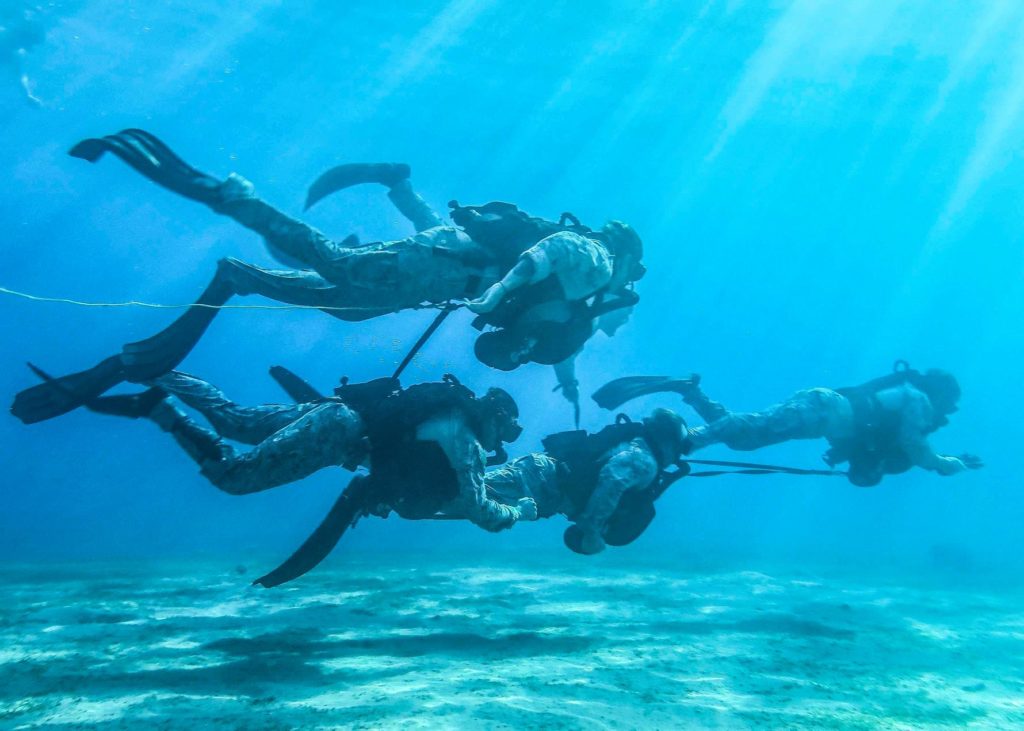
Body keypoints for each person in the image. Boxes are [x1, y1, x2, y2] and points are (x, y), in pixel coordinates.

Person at [10, 129, 646, 423]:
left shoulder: (580, 306)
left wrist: (564, 381)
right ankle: (227, 195)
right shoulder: (596, 262)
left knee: (343, 303)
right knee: (340, 268)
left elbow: (538, 310)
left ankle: (229, 282)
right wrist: (501, 294)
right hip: (440, 269)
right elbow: (546, 253)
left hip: (439, 271)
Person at [74, 369, 536, 532]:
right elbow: (480, 511)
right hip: (336, 436)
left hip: (334, 412)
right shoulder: (466, 443)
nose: (502, 443)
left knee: (234, 420)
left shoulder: (448, 410)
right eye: (507, 432)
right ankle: (160, 410)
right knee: (234, 478)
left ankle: (158, 373)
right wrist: (519, 512)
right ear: (495, 418)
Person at [672, 364, 982, 486]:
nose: (945, 410)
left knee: (744, 437)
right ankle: (691, 437)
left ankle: (693, 394)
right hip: (823, 412)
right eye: (948, 401)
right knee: (750, 432)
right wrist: (946, 463)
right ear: (940, 393)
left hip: (821, 410)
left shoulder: (908, 395)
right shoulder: (918, 399)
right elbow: (915, 446)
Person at [485, 408, 689, 555]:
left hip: (545, 486)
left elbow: (701, 435)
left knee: (473, 497)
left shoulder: (642, 449)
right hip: (540, 480)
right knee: (470, 492)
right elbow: (611, 483)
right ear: (667, 441)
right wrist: (592, 532)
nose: (678, 456)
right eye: (678, 448)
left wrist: (694, 394)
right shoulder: (643, 460)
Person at [1, 4, 43, 107]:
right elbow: (20, 75)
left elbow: (20, 75)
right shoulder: (7, 39)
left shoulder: (16, 54)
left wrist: (27, 95)